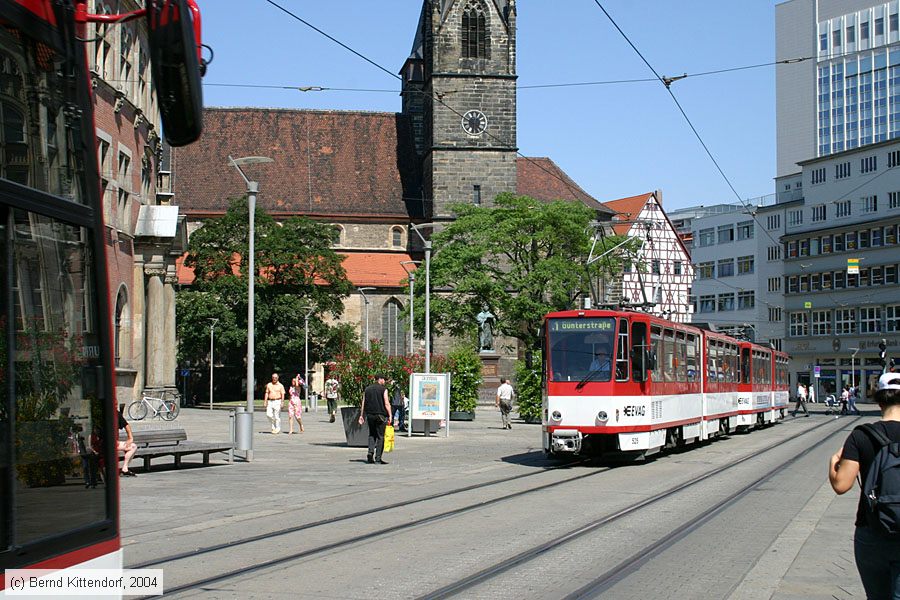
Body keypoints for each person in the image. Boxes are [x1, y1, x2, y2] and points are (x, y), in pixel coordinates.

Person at [828, 373, 900, 600]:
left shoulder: (861, 436)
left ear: (878, 402)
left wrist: (833, 464)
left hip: (872, 528)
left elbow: (841, 485)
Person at [358, 374, 391, 464]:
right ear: (380, 379)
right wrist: (390, 415)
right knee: (380, 436)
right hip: (381, 415)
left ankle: (370, 452)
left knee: (372, 434)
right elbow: (386, 403)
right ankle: (378, 458)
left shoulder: (367, 389)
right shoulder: (383, 389)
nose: (384, 381)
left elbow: (363, 402)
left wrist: (361, 415)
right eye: (384, 379)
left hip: (370, 415)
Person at [117, 405, 137, 477]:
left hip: (115, 444)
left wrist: (130, 438)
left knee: (133, 446)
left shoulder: (117, 414)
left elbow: (126, 425)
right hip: (104, 443)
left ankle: (125, 468)